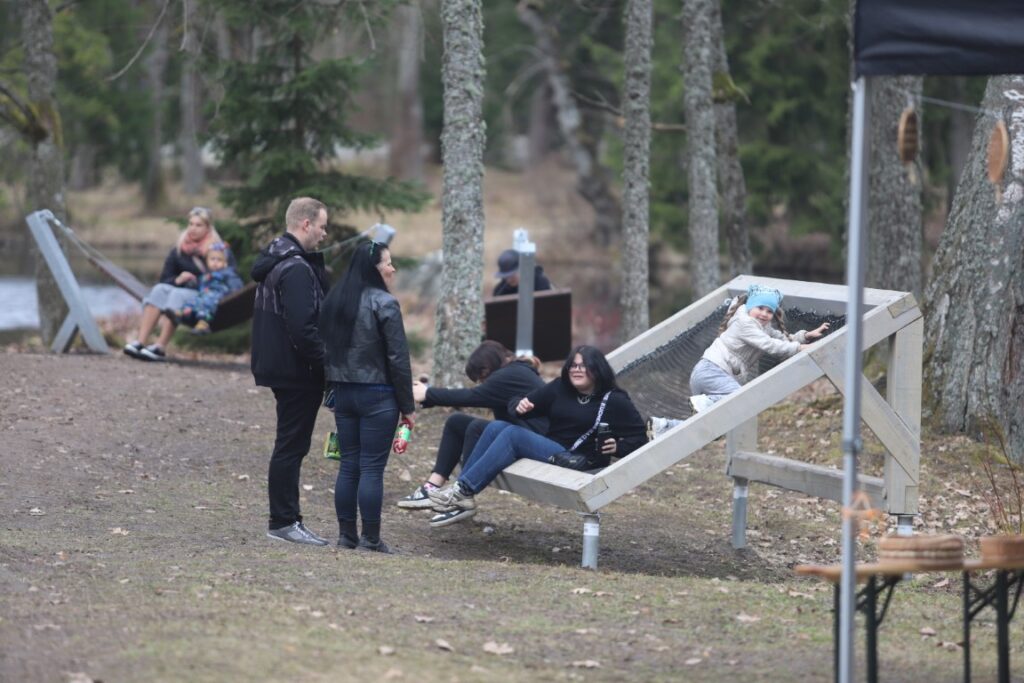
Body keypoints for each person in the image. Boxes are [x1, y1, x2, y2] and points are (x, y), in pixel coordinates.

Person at [427, 345, 648, 528]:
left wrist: (618, 447)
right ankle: (462, 493)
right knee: (497, 427)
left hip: (579, 460)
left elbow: (640, 438)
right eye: (573, 366)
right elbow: (522, 405)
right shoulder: (561, 388)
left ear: (597, 369)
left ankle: (462, 491)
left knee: (512, 434)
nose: (577, 370)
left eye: (584, 366)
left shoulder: (615, 400)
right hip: (554, 449)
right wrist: (519, 405)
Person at [320, 240, 415, 553]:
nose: (392, 268)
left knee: (349, 466)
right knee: (372, 468)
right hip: (379, 395)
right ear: (374, 269)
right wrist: (408, 407)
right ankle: (370, 539)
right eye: (388, 262)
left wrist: (329, 389)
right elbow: (398, 359)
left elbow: (325, 350)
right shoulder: (385, 303)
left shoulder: (336, 300)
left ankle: (346, 535)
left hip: (344, 394)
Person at [649, 284, 830, 438]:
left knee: (713, 429)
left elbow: (781, 340)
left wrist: (805, 336)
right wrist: (800, 349)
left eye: (769, 311)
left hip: (709, 377)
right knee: (740, 399)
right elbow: (770, 346)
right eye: (760, 308)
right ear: (750, 306)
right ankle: (704, 403)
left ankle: (665, 426)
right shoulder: (744, 323)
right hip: (712, 371)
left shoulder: (762, 327)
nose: (764, 314)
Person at [251, 197, 331, 546]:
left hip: (284, 368)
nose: (325, 234)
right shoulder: (295, 268)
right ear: (305, 224)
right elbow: (303, 329)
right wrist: (327, 367)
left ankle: (286, 519)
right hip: (296, 371)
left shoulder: (278, 258)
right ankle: (283, 521)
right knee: (291, 446)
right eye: (322, 226)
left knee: (290, 444)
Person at [396, 340, 548, 509]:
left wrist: (428, 394)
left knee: (475, 428)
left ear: (486, 369)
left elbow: (472, 396)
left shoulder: (510, 375)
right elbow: (474, 396)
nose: (481, 383)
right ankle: (431, 487)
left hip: (534, 441)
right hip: (521, 434)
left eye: (480, 379)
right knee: (457, 422)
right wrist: (428, 393)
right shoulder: (513, 371)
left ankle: (462, 495)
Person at [123, 207, 228, 361]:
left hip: (204, 296)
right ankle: (140, 342)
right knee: (160, 289)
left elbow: (226, 276)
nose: (193, 228)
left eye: (198, 225)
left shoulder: (218, 249)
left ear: (208, 227)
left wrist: (196, 280)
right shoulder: (179, 249)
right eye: (191, 224)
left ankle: (160, 346)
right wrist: (178, 280)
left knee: (176, 294)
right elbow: (165, 278)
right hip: (180, 290)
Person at [176, 242, 244, 335]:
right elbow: (199, 284)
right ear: (207, 261)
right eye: (212, 259)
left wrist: (234, 294)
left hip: (219, 296)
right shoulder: (206, 275)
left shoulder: (228, 273)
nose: (215, 262)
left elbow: (237, 286)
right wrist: (192, 284)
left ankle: (203, 323)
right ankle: (185, 313)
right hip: (204, 294)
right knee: (193, 300)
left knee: (207, 301)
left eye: (219, 260)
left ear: (225, 263)